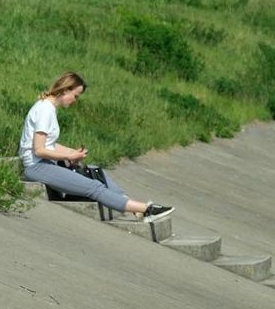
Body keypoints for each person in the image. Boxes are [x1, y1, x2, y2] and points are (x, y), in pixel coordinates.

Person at [19, 71, 174, 220]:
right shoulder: (45, 110)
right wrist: (68, 156)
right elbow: (39, 150)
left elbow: (48, 144)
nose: (75, 101)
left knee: (94, 170)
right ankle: (147, 210)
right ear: (66, 90)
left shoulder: (49, 108)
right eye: (76, 96)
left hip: (44, 164)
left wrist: (72, 152)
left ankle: (135, 209)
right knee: (93, 187)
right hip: (36, 167)